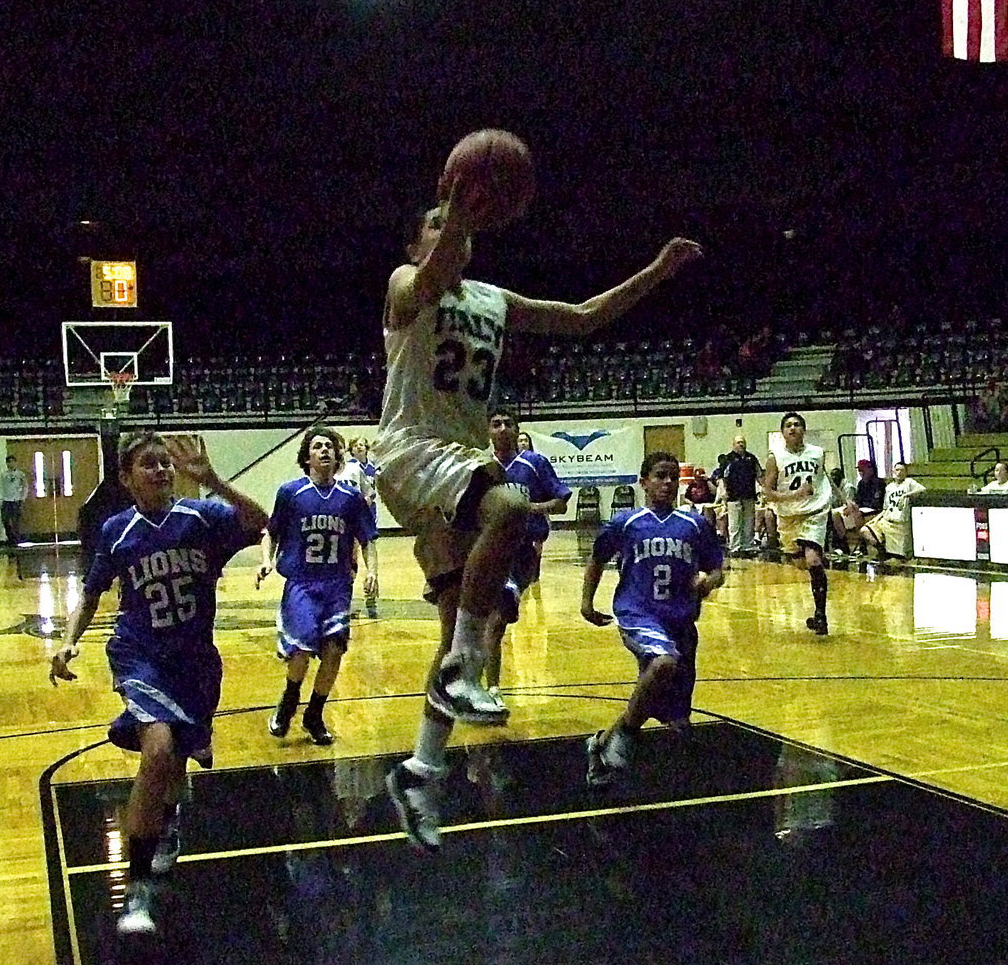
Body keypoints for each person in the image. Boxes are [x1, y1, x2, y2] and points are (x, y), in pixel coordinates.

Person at [374, 178, 701, 851]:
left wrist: (656, 273)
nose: (449, 233)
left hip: (455, 462)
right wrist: (459, 212)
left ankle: (420, 767)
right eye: (434, 224)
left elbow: (582, 317)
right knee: (512, 504)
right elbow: (427, 279)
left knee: (448, 633)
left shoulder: (493, 300)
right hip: (412, 451)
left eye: (454, 223)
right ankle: (468, 670)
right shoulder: (405, 282)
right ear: (416, 242)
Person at [49, 433, 266, 935]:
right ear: (126, 479)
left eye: (166, 463)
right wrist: (67, 640)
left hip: (195, 663)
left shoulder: (201, 517)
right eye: (149, 465)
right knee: (159, 749)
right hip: (139, 654)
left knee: (175, 765)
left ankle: (165, 821)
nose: (162, 471)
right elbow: (91, 590)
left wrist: (212, 480)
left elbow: (260, 523)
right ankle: (137, 890)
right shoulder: (117, 531)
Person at [581, 451, 724, 785]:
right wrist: (587, 603)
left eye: (673, 477)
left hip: (680, 622)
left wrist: (708, 583)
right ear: (643, 481)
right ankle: (626, 736)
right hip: (638, 613)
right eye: (660, 476)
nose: (668, 482)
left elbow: (717, 568)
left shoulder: (694, 525)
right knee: (663, 663)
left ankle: (600, 745)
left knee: (676, 721)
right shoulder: (626, 523)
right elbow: (596, 558)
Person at [256, 427, 377, 746]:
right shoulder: (291, 493)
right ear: (306, 456)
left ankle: (314, 714)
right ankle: (289, 699)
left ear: (338, 456)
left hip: (337, 584)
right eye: (317, 446)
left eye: (330, 447)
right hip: (302, 584)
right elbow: (270, 532)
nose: (324, 450)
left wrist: (371, 571)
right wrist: (266, 561)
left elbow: (367, 538)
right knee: (301, 651)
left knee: (335, 649)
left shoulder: (350, 497)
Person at [483, 408, 571, 704]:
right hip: (488, 549)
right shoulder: (481, 466)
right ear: (489, 431)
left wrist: (529, 508)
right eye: (497, 424)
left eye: (509, 424)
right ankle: (491, 688)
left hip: (523, 551)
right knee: (491, 621)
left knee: (498, 618)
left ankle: (487, 686)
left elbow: (561, 503)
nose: (503, 428)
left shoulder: (535, 464)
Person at [763, 412, 834, 636]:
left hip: (815, 510)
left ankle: (821, 616)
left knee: (813, 561)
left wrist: (844, 499)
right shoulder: (775, 457)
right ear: (783, 432)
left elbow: (826, 479)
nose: (793, 428)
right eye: (788, 426)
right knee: (801, 563)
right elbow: (768, 493)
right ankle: (818, 561)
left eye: (797, 425)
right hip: (789, 516)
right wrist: (795, 495)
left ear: (804, 429)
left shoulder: (817, 453)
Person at [340, 435, 381, 617]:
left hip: (361, 519)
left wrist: (365, 503)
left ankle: (371, 592)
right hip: (339, 525)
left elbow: (371, 493)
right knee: (347, 560)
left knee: (364, 552)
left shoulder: (357, 469)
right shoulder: (326, 474)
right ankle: (343, 601)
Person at [857, 462, 926, 559]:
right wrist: (875, 519)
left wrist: (906, 495)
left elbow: (922, 489)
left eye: (902, 470)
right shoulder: (889, 487)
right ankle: (881, 550)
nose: (899, 472)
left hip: (900, 523)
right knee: (864, 530)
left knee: (899, 557)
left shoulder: (909, 482)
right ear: (893, 472)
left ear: (906, 472)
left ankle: (887, 554)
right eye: (897, 470)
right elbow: (886, 508)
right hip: (887, 520)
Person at [719, 434, 763, 556]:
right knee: (735, 523)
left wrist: (764, 488)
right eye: (738, 442)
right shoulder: (728, 459)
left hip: (749, 495)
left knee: (749, 522)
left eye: (742, 442)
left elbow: (759, 474)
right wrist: (723, 492)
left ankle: (748, 546)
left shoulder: (751, 458)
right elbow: (722, 477)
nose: (741, 444)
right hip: (733, 496)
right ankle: (735, 547)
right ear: (733, 445)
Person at [0, 454, 28, 549]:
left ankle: (16, 541)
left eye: (12, 462)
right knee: (5, 521)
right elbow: (1, 487)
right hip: (6, 500)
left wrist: (23, 497)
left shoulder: (20, 474)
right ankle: (10, 539)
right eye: (8, 462)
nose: (11, 464)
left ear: (15, 463)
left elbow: (25, 486)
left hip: (16, 500)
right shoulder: (4, 475)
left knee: (15, 522)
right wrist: (0, 499)